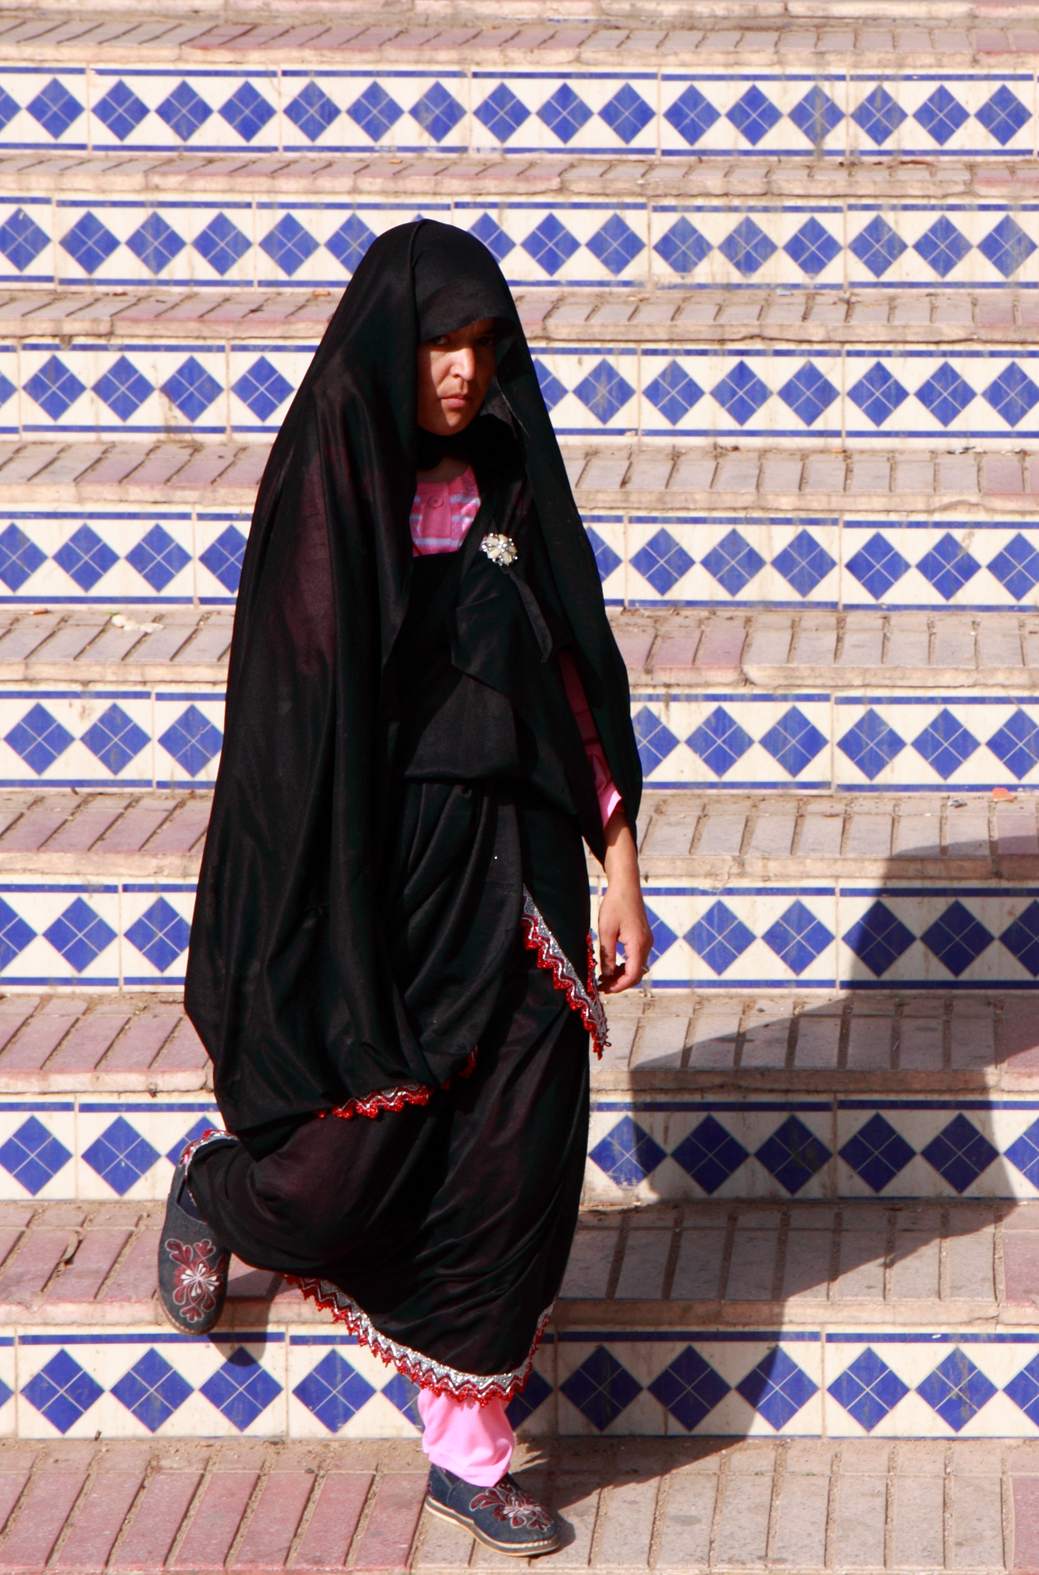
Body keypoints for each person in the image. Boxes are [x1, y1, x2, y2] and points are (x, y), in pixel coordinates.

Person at [157, 219, 650, 1558]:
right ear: (390, 340)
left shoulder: (507, 480)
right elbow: (291, 729)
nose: (461, 372)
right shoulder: (328, 484)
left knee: (515, 1174)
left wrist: (619, 862)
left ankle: (469, 1457)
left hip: (529, 873)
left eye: (483, 346)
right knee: (337, 1169)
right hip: (383, 882)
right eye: (441, 342)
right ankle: (218, 1190)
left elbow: (569, 673)